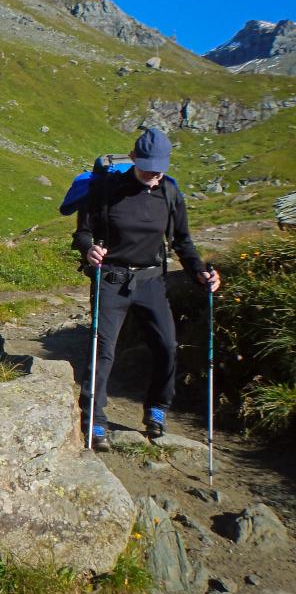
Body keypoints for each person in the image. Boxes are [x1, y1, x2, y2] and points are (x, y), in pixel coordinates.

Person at [73, 128, 220, 451]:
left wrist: (200, 271)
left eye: (159, 168)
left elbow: (182, 241)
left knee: (167, 344)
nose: (154, 175)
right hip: (112, 279)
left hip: (152, 280)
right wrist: (89, 250)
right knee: (103, 351)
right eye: (148, 167)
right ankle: (94, 420)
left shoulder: (169, 192)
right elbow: (82, 233)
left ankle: (157, 408)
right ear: (134, 158)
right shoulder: (106, 190)